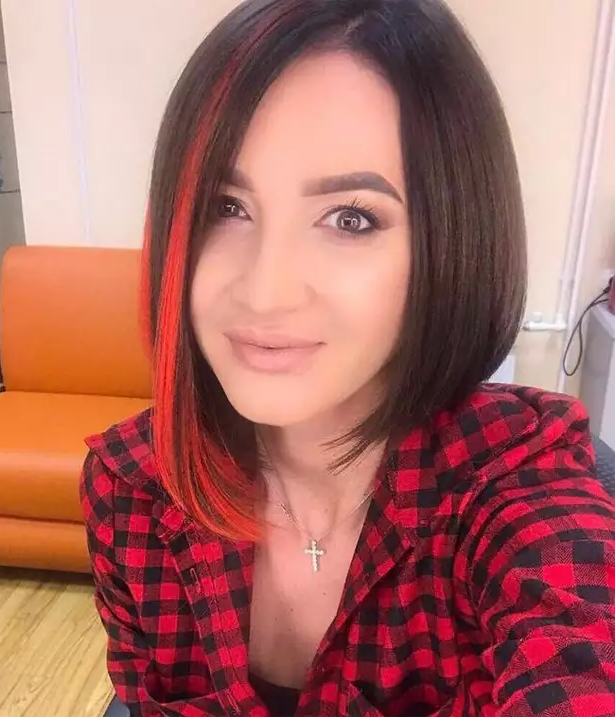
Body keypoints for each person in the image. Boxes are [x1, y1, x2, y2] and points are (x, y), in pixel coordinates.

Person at [81, 1, 615, 715]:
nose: (265, 291)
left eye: (350, 218)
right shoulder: (137, 486)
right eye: (225, 206)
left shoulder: (515, 485)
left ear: (448, 243)